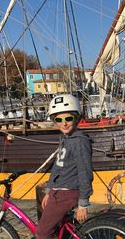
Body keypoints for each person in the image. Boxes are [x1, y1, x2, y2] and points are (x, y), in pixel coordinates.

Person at [36, 94, 93, 239]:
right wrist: (49, 190)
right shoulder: (66, 139)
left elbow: (84, 172)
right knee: (59, 230)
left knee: (42, 233)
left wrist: (83, 203)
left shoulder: (79, 142)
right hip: (58, 192)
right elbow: (58, 166)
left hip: (66, 194)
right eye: (58, 120)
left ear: (77, 118)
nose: (64, 123)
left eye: (68, 118)